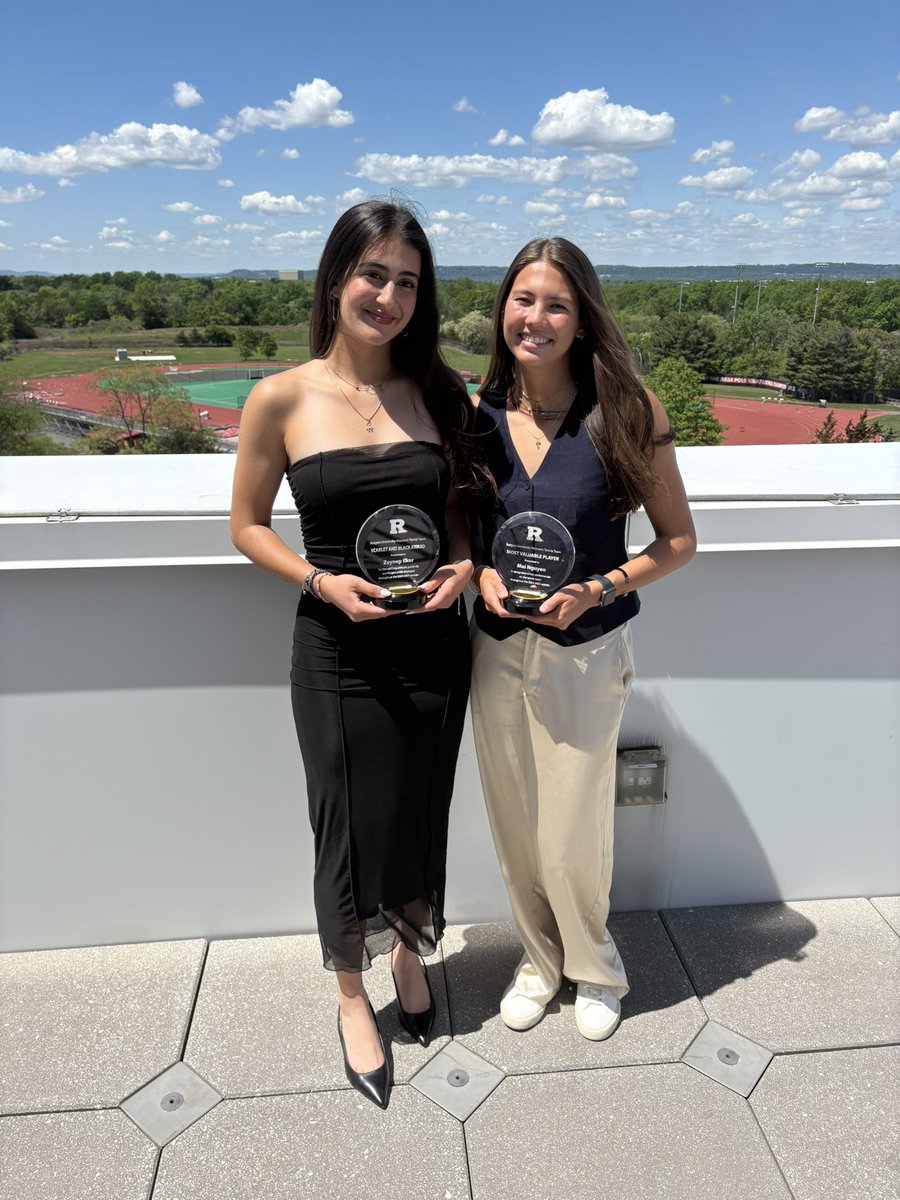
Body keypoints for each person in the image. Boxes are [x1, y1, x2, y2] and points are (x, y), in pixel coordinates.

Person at [230, 200, 478, 1109]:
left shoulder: (440, 393)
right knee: (343, 826)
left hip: (434, 645)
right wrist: (317, 580)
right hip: (336, 649)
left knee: (419, 810)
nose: (389, 296)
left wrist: (464, 563)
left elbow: (458, 513)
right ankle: (349, 996)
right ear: (337, 278)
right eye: (374, 274)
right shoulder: (281, 397)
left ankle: (411, 954)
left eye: (408, 281)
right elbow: (246, 525)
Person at [470, 237, 696, 1041]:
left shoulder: (628, 411)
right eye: (523, 299)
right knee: (515, 824)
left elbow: (677, 543)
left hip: (587, 651)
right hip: (496, 650)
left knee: (572, 830)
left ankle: (596, 969)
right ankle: (538, 962)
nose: (536, 318)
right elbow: (465, 528)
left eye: (556, 304)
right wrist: (479, 571)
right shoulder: (476, 415)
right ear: (503, 308)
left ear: (583, 317)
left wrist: (598, 589)